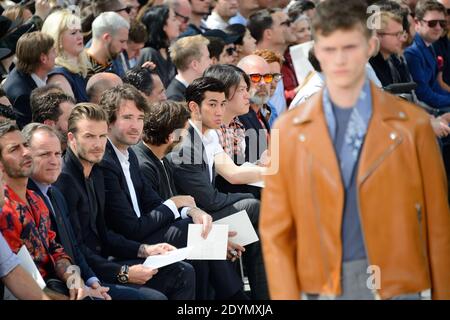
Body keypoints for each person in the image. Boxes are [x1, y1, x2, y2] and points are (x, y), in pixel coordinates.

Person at [260, 0, 450, 300]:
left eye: (349, 47)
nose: (340, 60)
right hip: (320, 281)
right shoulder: (290, 130)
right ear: (316, 51)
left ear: (370, 46)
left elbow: (437, 221)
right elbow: (276, 232)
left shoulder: (411, 126)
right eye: (330, 49)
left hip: (396, 278)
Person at [54, 103, 195, 300]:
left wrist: (144, 250)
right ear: (71, 138)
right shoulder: (64, 180)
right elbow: (76, 249)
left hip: (105, 262)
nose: (97, 144)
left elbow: (104, 233)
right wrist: (124, 272)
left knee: (182, 272)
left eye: (102, 136)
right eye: (89, 136)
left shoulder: (95, 172)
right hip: (87, 274)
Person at [168, 77, 269, 299]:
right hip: (191, 219)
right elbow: (210, 200)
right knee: (253, 206)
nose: (219, 111)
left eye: (222, 104)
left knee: (255, 209)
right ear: (194, 107)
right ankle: (259, 295)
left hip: (208, 212)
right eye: (212, 104)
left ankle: (260, 292)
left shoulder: (210, 133)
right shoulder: (186, 145)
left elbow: (232, 172)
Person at [0, 121, 109, 300]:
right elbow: (19, 280)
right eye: (14, 149)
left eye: (25, 145)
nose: (26, 152)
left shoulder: (36, 199)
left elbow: (57, 250)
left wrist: (75, 280)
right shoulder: (4, 211)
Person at [0, 168, 50, 300]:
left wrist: (73, 276)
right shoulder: (7, 213)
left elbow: (11, 270)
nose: (26, 153)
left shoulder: (37, 198)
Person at [3, 32, 56, 128]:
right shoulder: (23, 95)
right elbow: (28, 131)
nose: (56, 55)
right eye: (53, 51)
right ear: (43, 58)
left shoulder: (29, 73)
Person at [404, 0, 450, 109]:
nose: (438, 27)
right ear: (417, 23)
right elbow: (423, 95)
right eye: (432, 23)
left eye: (442, 23)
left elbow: (435, 85)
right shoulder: (412, 52)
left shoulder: (429, 44)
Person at [42, 9, 90, 103]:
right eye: (73, 33)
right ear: (57, 39)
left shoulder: (78, 70)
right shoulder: (58, 77)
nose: (80, 36)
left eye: (80, 31)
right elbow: (69, 115)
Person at [137, 5, 180, 88]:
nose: (178, 23)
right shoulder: (148, 53)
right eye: (174, 19)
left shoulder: (169, 52)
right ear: (163, 25)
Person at [166, 35, 211, 101]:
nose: (211, 62)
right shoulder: (175, 98)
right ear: (195, 64)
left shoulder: (195, 89)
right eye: (207, 57)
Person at [86, 12, 130, 79]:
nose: (125, 47)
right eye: (122, 41)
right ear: (107, 38)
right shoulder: (84, 70)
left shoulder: (112, 62)